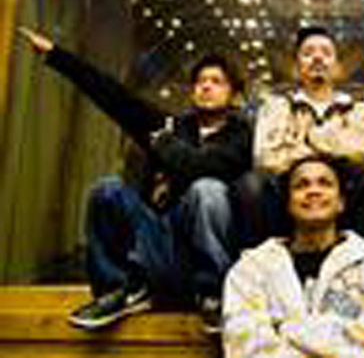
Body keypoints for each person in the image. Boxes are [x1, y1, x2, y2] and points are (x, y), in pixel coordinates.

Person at [19, 27, 252, 331]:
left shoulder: (244, 136)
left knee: (207, 190)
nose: (205, 86)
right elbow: (115, 97)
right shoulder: (171, 126)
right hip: (156, 248)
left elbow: (202, 169)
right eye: (200, 81)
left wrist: (165, 145)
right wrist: (56, 56)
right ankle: (118, 292)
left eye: (216, 81)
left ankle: (212, 296)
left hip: (197, 261)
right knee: (107, 190)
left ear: (234, 94)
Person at [223, 155, 364, 357]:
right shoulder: (251, 269)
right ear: (288, 203)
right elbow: (243, 347)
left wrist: (287, 329)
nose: (313, 191)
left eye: (325, 183)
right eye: (301, 185)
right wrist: (341, 333)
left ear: (341, 202)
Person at [239, 26, 364, 248]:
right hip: (289, 194)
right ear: (297, 67)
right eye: (308, 53)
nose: (317, 58)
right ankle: (261, 258)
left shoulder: (361, 110)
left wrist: (308, 140)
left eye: (326, 52)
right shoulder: (276, 108)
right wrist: (338, 147)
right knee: (251, 184)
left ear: (337, 66)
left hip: (347, 193)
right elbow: (265, 158)